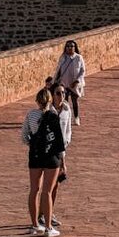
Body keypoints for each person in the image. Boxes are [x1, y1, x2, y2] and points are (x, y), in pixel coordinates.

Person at [21, 88, 65, 237]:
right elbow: (59, 140)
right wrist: (62, 160)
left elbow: (24, 136)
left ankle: (35, 225)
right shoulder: (53, 116)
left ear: (37, 100)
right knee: (47, 191)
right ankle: (48, 227)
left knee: (34, 190)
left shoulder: (31, 115)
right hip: (51, 157)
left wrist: (33, 145)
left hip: (35, 156)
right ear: (50, 100)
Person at [42, 84, 73, 229]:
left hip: (60, 151)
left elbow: (68, 131)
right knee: (47, 185)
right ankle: (42, 215)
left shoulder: (67, 110)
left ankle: (49, 212)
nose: (61, 96)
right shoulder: (48, 111)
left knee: (56, 185)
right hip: (48, 151)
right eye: (58, 93)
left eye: (63, 93)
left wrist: (64, 152)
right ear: (52, 95)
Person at [54, 40, 85, 126]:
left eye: (71, 46)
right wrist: (55, 81)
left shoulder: (79, 57)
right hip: (64, 83)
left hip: (75, 84)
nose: (70, 48)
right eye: (68, 46)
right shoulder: (63, 57)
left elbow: (82, 71)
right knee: (64, 102)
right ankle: (66, 118)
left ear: (75, 47)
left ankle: (76, 117)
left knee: (75, 101)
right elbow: (58, 70)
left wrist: (76, 81)